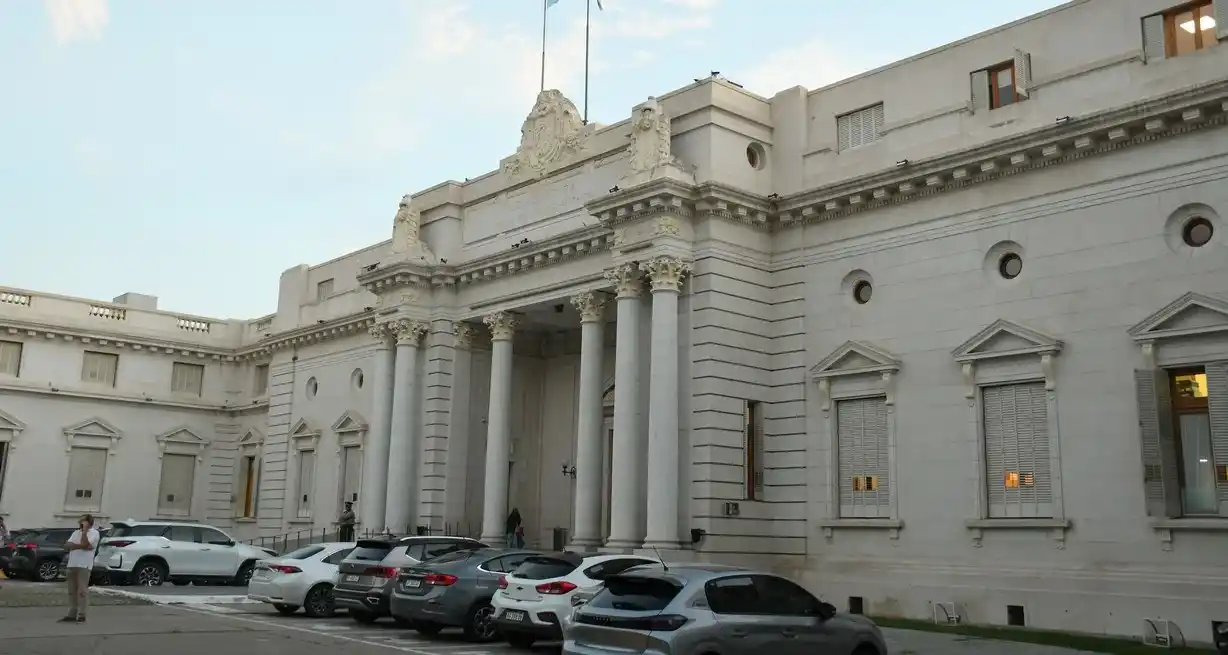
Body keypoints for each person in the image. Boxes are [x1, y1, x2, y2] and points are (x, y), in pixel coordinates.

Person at [62, 514, 100, 623]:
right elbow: (67, 545)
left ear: (88, 522)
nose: (80, 522)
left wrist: (84, 532)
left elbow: (86, 544)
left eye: (83, 521)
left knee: (82, 591)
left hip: (84, 565)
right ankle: (72, 613)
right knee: (71, 591)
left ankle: (82, 614)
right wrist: (80, 546)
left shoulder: (94, 533)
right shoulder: (75, 532)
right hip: (72, 564)